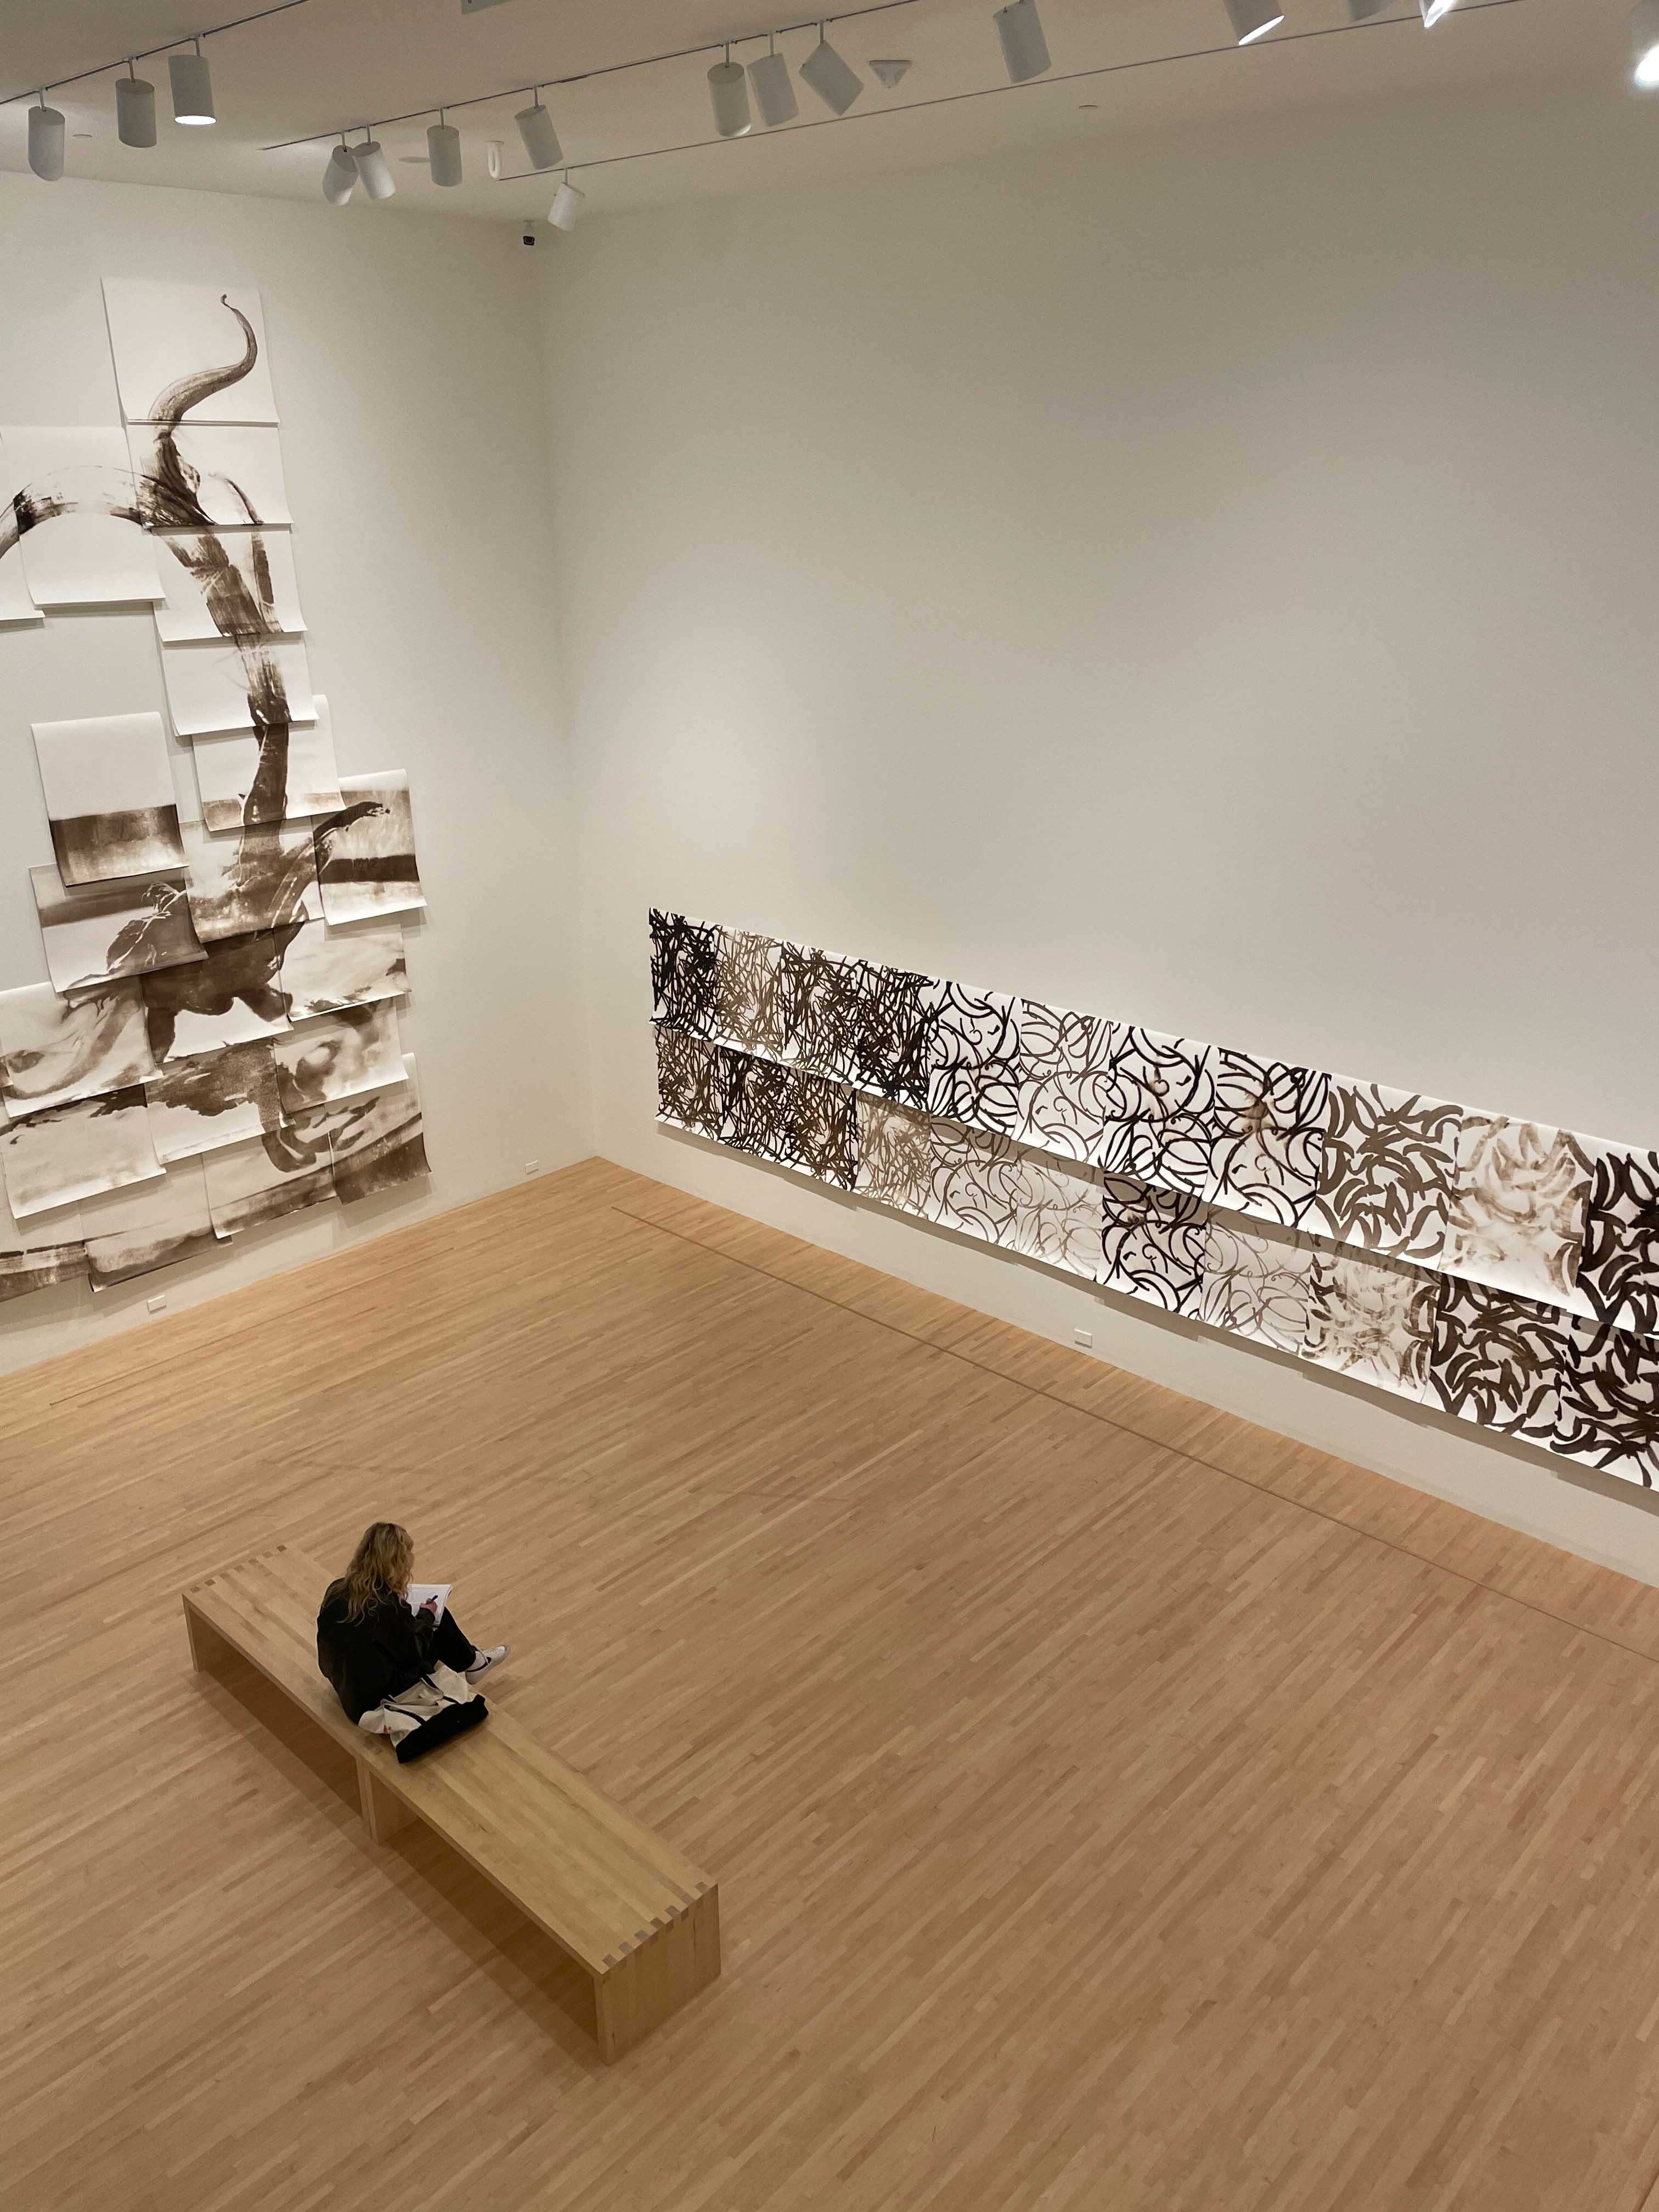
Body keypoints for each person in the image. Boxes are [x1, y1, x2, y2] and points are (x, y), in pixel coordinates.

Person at [317, 1521, 509, 1742]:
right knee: (436, 1618)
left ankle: (474, 1661)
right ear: (396, 1561)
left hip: (344, 1682)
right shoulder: (385, 1608)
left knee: (425, 1618)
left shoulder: (337, 1588)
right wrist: (426, 1616)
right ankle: (473, 1662)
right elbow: (411, 1654)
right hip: (374, 1697)